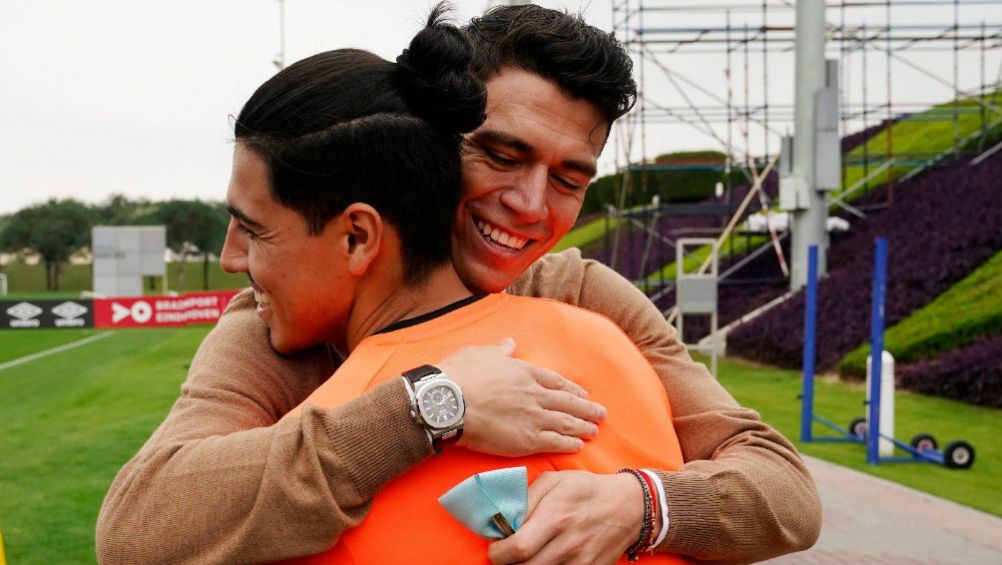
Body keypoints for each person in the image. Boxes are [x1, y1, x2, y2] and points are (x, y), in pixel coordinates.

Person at [96, 5, 820, 565]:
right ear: (437, 137)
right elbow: (141, 522)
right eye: (503, 155)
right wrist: (428, 407)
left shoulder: (579, 292)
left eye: (569, 178)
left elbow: (785, 489)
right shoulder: (278, 317)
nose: (532, 206)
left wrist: (639, 503)